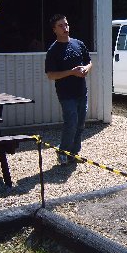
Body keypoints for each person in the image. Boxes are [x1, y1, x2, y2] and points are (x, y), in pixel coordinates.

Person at [45, 14, 92, 165]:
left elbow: (89, 62)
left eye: (66, 24)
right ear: (54, 30)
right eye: (61, 26)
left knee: (80, 124)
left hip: (81, 92)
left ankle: (74, 153)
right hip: (66, 95)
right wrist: (71, 72)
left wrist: (86, 69)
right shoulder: (53, 51)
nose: (65, 28)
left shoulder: (78, 44)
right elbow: (51, 75)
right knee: (71, 122)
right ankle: (62, 152)